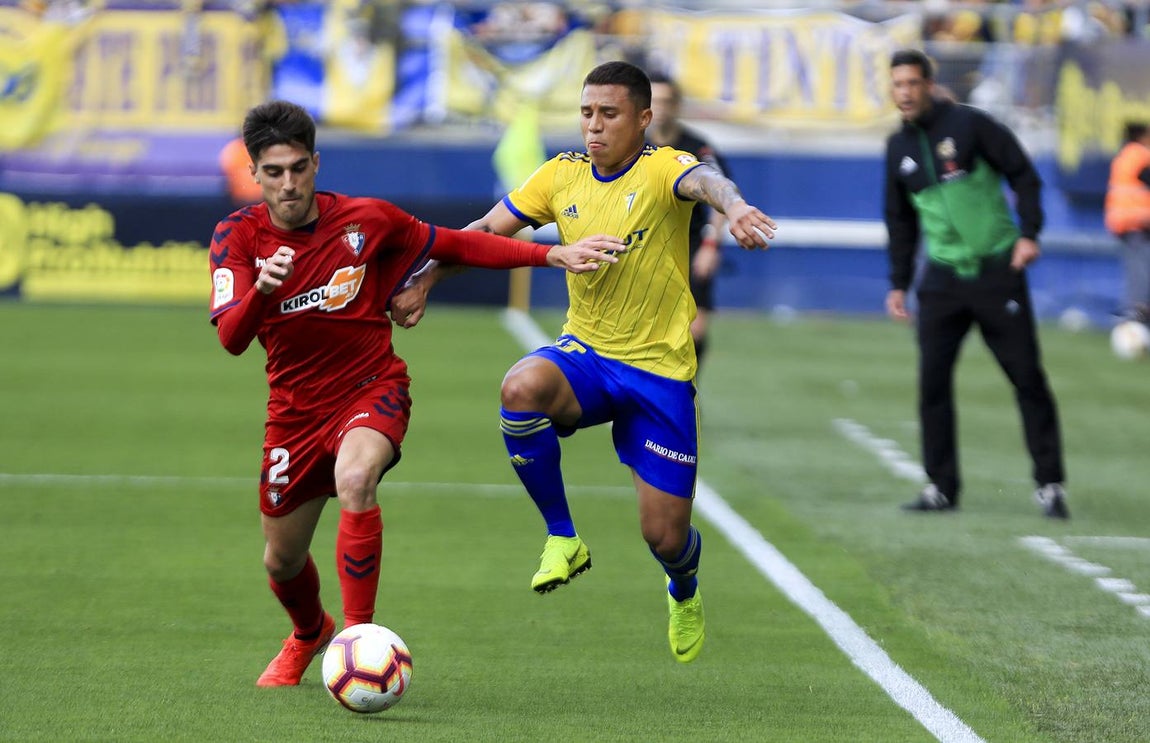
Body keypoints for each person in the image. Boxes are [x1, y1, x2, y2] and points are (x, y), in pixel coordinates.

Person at [208, 100, 623, 688]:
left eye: (298, 168)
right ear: (255, 174)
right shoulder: (236, 237)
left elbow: (458, 245)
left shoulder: (365, 220)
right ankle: (309, 633)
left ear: (316, 164)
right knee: (282, 561)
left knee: (356, 480)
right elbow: (230, 337)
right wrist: (261, 292)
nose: (288, 183)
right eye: (274, 172)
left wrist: (551, 253)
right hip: (293, 416)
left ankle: (360, 642)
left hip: (370, 388)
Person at [391, 61, 776, 663]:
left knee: (664, 537)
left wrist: (737, 207)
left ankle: (683, 584)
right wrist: (430, 275)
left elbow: (707, 183)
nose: (594, 127)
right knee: (521, 386)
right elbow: (487, 230)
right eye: (587, 113)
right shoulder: (560, 175)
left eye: (610, 114)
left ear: (644, 119)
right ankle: (563, 536)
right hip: (588, 357)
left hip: (660, 377)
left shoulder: (662, 167)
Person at [882, 49, 1069, 519]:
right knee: (932, 385)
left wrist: (1028, 235)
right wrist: (899, 283)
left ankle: (1050, 484)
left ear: (928, 85)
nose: (904, 93)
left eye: (911, 84)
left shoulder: (971, 126)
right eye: (897, 85)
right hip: (941, 280)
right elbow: (900, 220)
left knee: (1027, 377)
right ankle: (941, 487)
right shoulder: (896, 148)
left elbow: (1025, 177)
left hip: (995, 272)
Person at [646, 71, 730, 375]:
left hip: (690, 245)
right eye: (654, 101)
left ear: (677, 105)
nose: (661, 108)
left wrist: (710, 244)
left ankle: (687, 387)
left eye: (667, 101)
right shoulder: (631, 145)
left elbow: (721, 193)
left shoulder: (697, 147)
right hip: (646, 244)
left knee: (695, 330)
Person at [1103, 121, 1150, 323]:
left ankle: (1134, 313)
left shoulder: (1123, 155)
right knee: (1141, 272)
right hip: (1138, 221)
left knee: (1136, 271)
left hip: (1123, 221)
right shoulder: (1140, 154)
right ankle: (1137, 315)